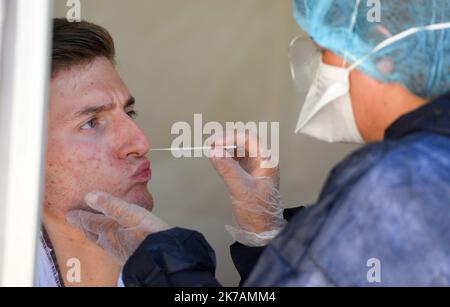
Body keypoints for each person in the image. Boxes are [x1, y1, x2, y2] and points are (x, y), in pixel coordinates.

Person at [68, 0, 450, 286]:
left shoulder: (401, 182)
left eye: (323, 52)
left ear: (382, 52)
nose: (140, 141)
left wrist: (164, 263)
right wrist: (265, 233)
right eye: (92, 122)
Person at [37, 18, 165, 287]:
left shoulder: (167, 273)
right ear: (24, 151)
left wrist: (262, 237)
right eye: (91, 122)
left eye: (130, 113)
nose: (141, 143)